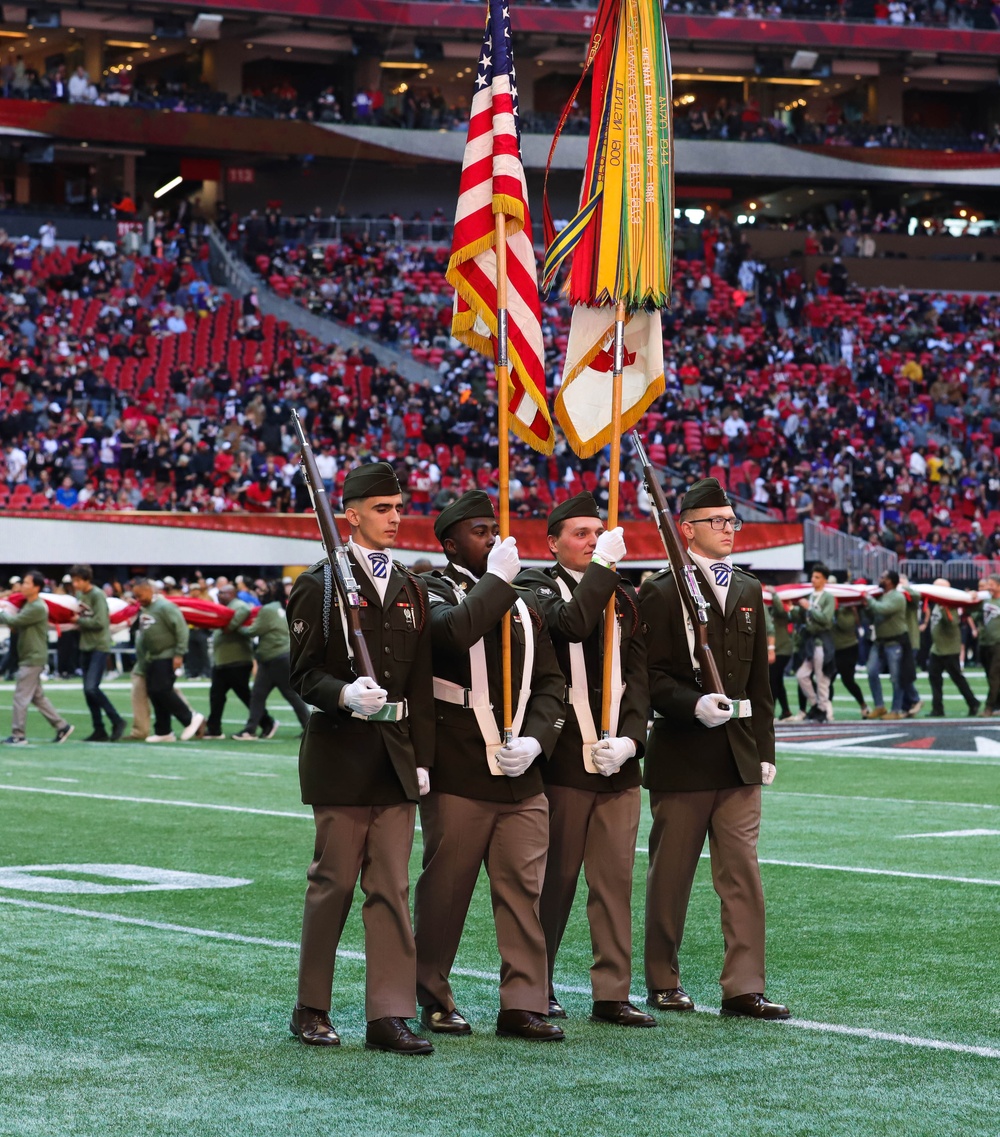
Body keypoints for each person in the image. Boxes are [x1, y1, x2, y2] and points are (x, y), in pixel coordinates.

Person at [286, 461, 435, 1055]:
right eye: (382, 509)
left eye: (398, 508)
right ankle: (311, 1007)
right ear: (351, 514)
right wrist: (343, 694)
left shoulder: (410, 586)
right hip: (342, 756)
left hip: (396, 757)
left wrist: (423, 757)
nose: (396, 518)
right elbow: (303, 673)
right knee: (333, 885)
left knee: (392, 889)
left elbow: (419, 683)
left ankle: (389, 1014)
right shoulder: (319, 584)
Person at [414, 490, 567, 1041]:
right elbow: (454, 632)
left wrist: (537, 740)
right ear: (452, 542)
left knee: (524, 891)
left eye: (495, 529)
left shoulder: (525, 601)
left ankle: (523, 1002)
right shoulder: (427, 589)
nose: (495, 539)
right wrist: (496, 582)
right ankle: (431, 994)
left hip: (521, 769)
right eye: (481, 531)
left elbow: (552, 682)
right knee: (446, 890)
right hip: (458, 766)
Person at [640, 478, 789, 1020]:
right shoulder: (659, 592)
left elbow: (759, 683)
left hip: (739, 754)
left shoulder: (748, 589)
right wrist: (689, 704)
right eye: (717, 522)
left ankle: (744, 985)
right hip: (682, 754)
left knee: (742, 875)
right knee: (671, 875)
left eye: (732, 521)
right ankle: (662, 979)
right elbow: (648, 677)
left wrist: (765, 748)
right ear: (687, 530)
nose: (728, 530)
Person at [515, 491, 653, 1028]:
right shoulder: (534, 587)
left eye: (598, 533)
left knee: (614, 882)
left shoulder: (621, 595)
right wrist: (603, 569)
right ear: (552, 542)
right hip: (564, 759)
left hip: (616, 760)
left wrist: (633, 741)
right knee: (556, 881)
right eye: (581, 534)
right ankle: (537, 983)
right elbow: (570, 623)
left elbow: (638, 680)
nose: (593, 541)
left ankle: (612, 991)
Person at [0, 571, 74, 746]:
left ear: (36, 587)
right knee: (37, 697)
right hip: (30, 655)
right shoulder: (29, 605)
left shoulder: (37, 607)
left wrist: (2, 612)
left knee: (21, 696)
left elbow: (16, 621)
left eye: (26, 583)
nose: (22, 586)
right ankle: (62, 726)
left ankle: (18, 735)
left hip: (33, 656)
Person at [232, 579, 311, 740]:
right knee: (259, 695)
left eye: (264, 590)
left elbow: (253, 631)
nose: (260, 593)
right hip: (276, 657)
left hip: (275, 658)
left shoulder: (268, 609)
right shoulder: (283, 607)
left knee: (286, 695)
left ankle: (309, 728)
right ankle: (250, 729)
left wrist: (234, 626)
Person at [132, 578, 205, 743]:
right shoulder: (145, 609)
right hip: (152, 656)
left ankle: (190, 718)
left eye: (140, 595)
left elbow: (181, 629)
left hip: (167, 654)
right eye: (136, 596)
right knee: (154, 693)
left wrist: (179, 654)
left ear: (150, 590)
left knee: (162, 689)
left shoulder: (165, 607)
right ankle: (163, 730)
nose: (138, 599)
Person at [202, 583, 275, 740]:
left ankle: (267, 722)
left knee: (244, 695)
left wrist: (230, 625)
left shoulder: (239, 605)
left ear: (232, 593)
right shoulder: (223, 609)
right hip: (223, 661)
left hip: (237, 660)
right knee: (216, 695)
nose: (219, 595)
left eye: (223, 593)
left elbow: (243, 612)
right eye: (219, 592)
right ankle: (214, 728)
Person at [69, 564, 126, 742]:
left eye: (78, 580)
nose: (75, 584)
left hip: (98, 646)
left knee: (91, 687)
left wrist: (79, 620)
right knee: (87, 691)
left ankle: (116, 719)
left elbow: (101, 621)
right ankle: (98, 728)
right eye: (74, 580)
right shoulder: (81, 595)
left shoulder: (97, 595)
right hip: (85, 645)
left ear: (87, 579)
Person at [925, 580, 980, 718]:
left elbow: (953, 622)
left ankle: (973, 702)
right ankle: (937, 708)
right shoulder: (938, 604)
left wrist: (945, 609)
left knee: (957, 678)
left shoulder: (950, 606)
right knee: (934, 679)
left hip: (949, 648)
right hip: (937, 648)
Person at [863, 570, 910, 720]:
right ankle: (880, 706)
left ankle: (896, 710)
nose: (880, 579)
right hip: (880, 642)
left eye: (883, 577)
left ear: (890, 581)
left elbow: (882, 609)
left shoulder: (897, 597)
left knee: (896, 677)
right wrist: (867, 607)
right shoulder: (882, 597)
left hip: (895, 642)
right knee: (871, 671)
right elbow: (875, 614)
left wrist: (869, 600)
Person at [795, 565, 835, 723]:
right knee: (802, 675)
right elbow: (801, 618)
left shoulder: (828, 597)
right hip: (810, 642)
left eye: (817, 577)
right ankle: (817, 706)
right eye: (812, 576)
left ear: (825, 580)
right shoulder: (809, 596)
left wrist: (809, 607)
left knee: (822, 679)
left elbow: (826, 619)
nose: (813, 580)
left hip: (822, 642)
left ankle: (825, 711)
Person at [829, 581, 869, 718]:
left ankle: (863, 704)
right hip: (833, 648)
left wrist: (836, 609)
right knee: (828, 680)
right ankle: (827, 709)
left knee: (848, 680)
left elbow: (844, 625)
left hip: (847, 648)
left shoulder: (849, 609)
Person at [769, 590, 794, 721]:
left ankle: (770, 711)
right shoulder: (770, 611)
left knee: (773, 679)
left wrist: (774, 595)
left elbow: (779, 609)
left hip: (782, 649)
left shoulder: (781, 612)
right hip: (778, 649)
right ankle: (786, 711)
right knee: (777, 681)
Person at [978, 575, 1000, 716]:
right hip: (985, 642)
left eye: (991, 584)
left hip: (998, 642)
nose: (989, 587)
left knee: (994, 676)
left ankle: (989, 707)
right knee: (991, 676)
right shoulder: (985, 600)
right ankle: (997, 705)